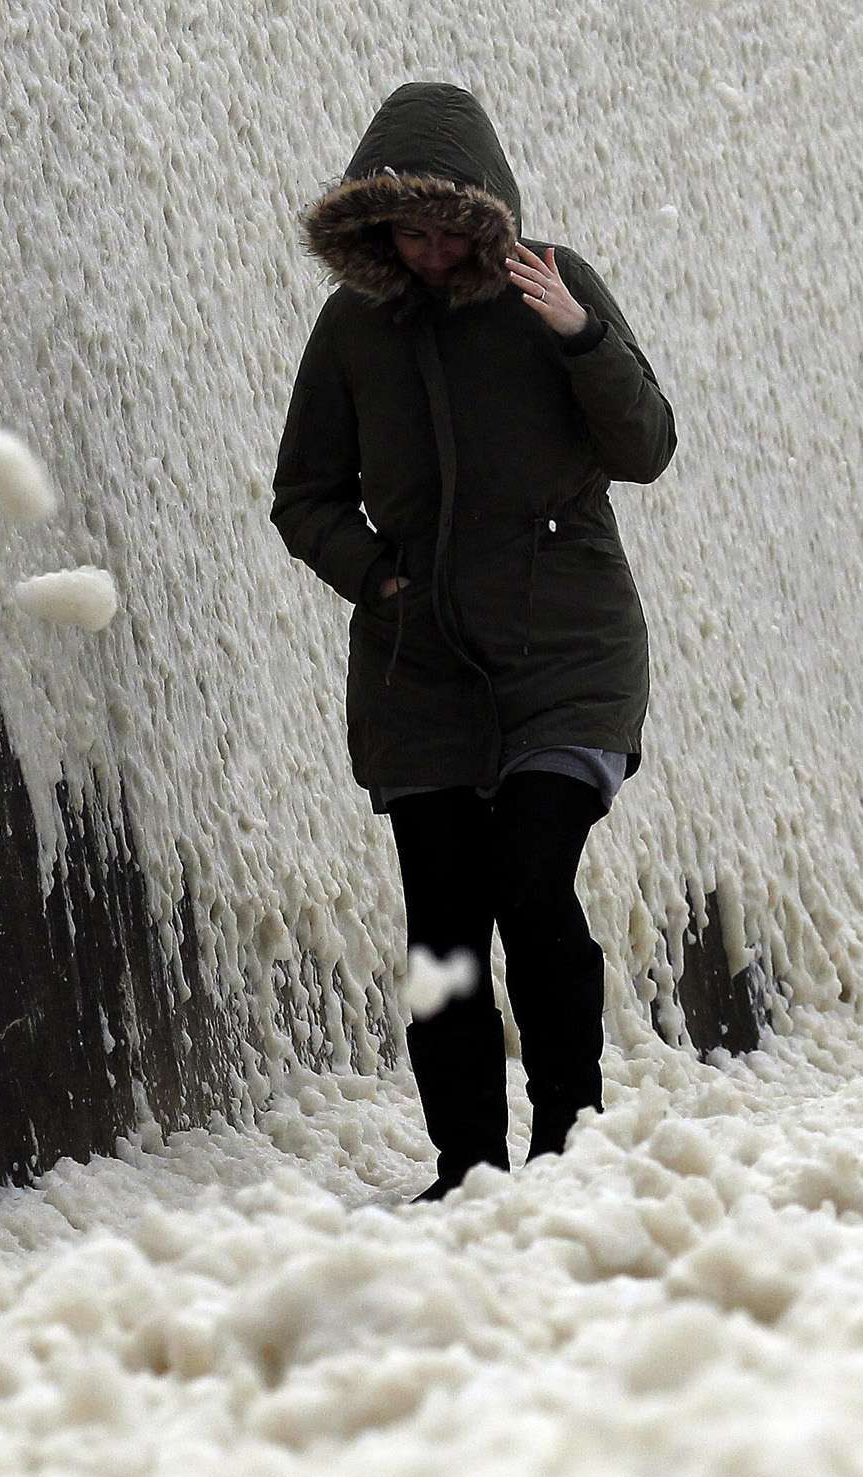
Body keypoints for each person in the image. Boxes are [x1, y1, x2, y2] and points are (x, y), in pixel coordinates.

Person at [272, 81, 678, 1203]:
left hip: (568, 653)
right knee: (442, 928)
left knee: (530, 882)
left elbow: (646, 446)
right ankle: (466, 1163)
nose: (436, 248)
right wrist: (375, 576)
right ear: (375, 229)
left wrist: (577, 333)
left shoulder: (554, 286)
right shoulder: (354, 329)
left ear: (489, 215)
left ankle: (568, 1140)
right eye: (410, 228)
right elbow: (303, 493)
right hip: (423, 670)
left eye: (454, 226)